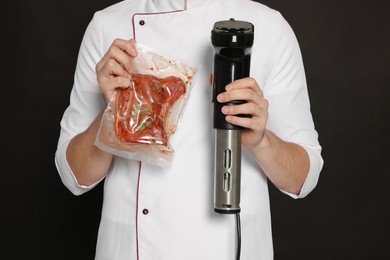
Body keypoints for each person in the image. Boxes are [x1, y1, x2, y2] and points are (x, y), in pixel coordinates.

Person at [55, 0, 324, 259]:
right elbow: (74, 177)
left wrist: (261, 141)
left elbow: (303, 177)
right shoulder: (107, 25)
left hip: (228, 249)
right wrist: (115, 110)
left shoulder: (270, 26)